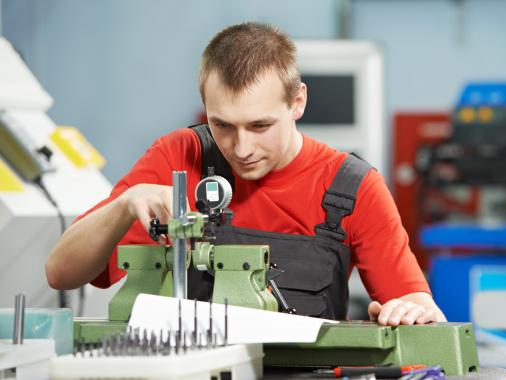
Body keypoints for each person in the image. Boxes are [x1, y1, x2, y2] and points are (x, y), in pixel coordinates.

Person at [46, 22, 446, 325]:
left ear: (298, 102)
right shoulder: (179, 155)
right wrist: (124, 205)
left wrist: (416, 312)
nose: (242, 149)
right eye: (222, 125)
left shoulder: (352, 188)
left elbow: (421, 312)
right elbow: (61, 274)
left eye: (259, 126)